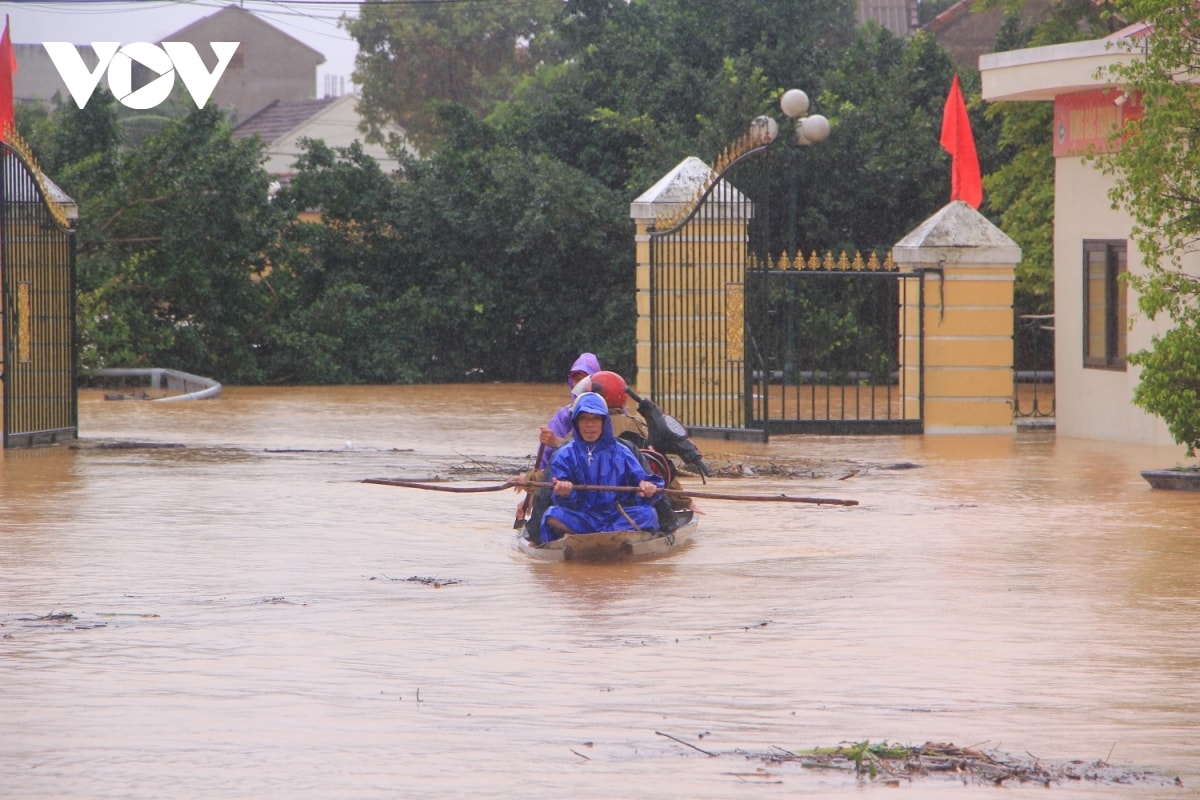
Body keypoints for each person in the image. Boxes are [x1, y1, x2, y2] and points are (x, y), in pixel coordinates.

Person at [538, 391, 664, 543]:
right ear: (576, 422)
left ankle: (600, 537)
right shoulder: (565, 454)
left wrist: (648, 489)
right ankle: (599, 537)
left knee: (648, 514)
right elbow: (561, 499)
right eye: (584, 419)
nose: (590, 425)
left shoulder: (622, 452)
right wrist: (564, 492)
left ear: (604, 422)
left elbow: (645, 483)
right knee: (551, 515)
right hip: (582, 518)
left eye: (595, 419)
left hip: (617, 516)